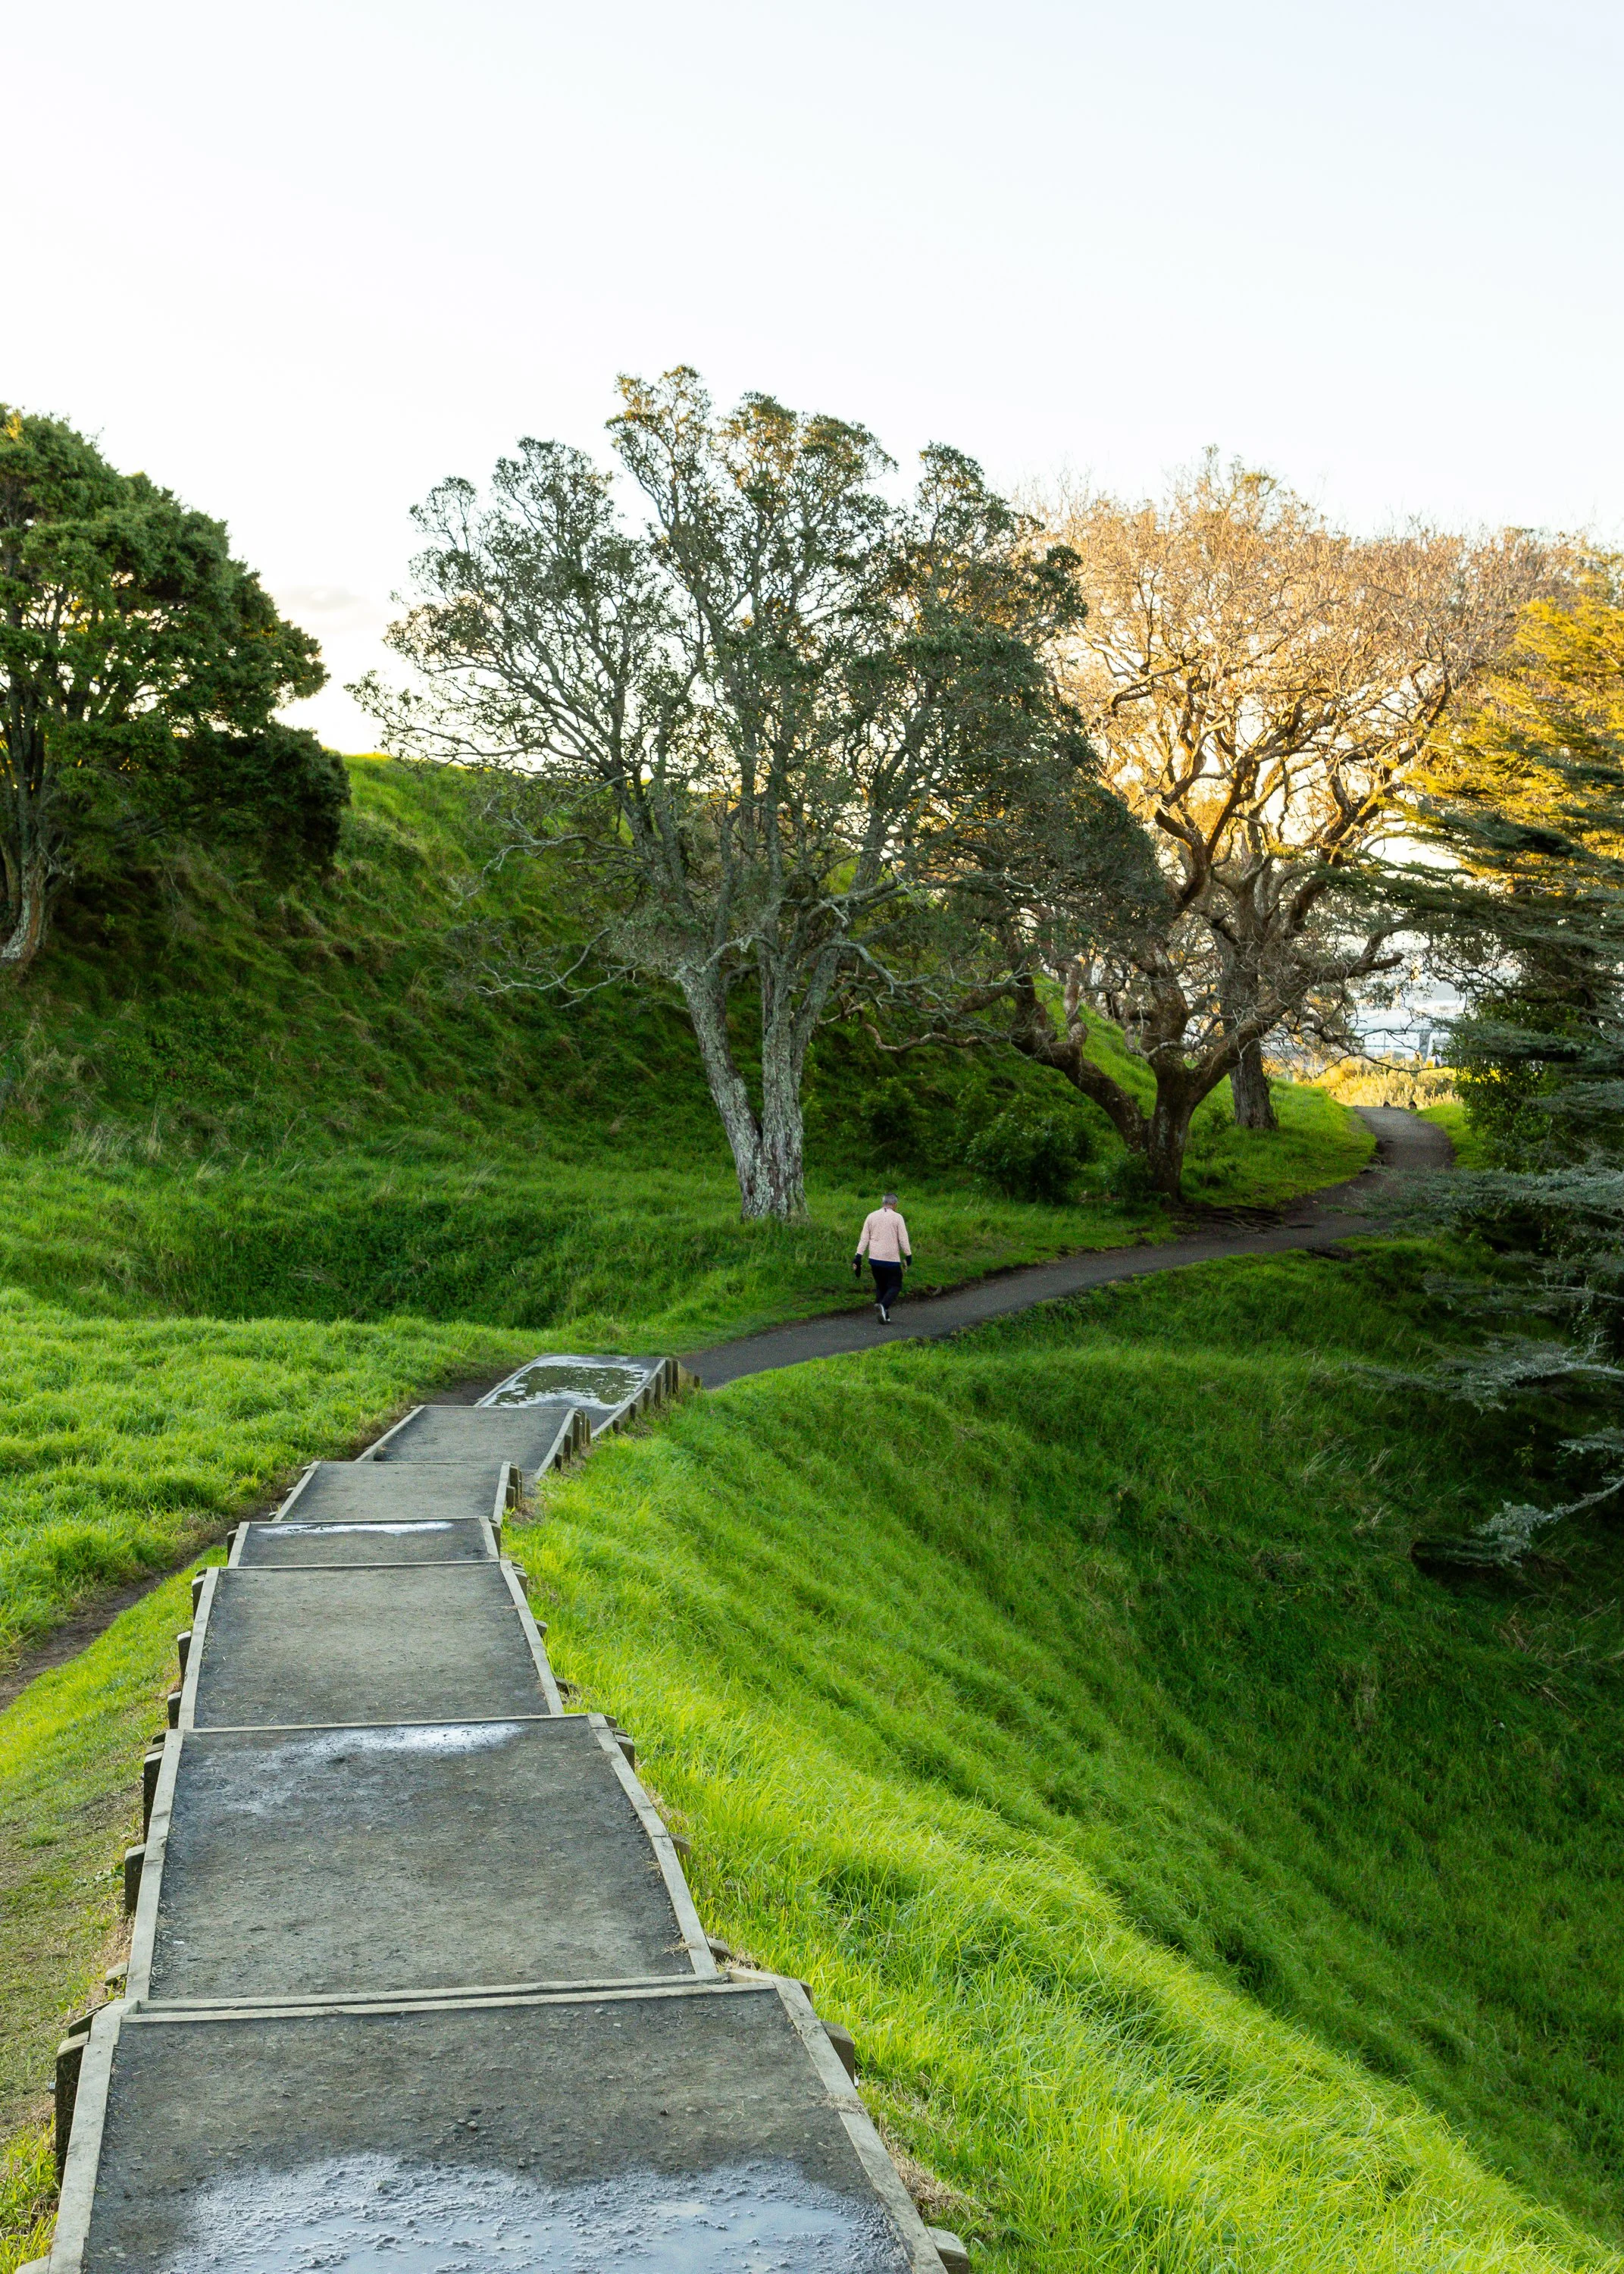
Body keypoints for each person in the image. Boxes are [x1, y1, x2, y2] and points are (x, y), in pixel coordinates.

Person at [853, 1192, 912, 1323]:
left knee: (881, 1284)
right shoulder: (897, 1218)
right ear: (895, 1204)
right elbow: (903, 1239)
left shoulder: (871, 1216)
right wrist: (908, 1255)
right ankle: (883, 1305)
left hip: (874, 1259)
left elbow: (864, 1238)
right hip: (891, 1260)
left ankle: (884, 1314)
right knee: (895, 1285)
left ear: (883, 1203)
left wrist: (858, 1256)